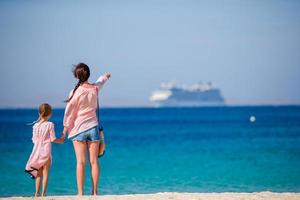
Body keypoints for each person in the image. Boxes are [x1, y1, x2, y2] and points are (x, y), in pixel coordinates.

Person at [62, 63, 111, 195]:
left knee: (80, 162)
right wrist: (105, 76)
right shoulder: (94, 89)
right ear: (88, 74)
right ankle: (95, 192)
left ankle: (80, 193)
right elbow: (100, 82)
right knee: (94, 162)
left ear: (76, 76)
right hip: (93, 128)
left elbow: (69, 112)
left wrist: (65, 129)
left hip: (78, 129)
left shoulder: (74, 92)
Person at [25, 103, 64, 197]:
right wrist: (61, 139)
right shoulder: (50, 124)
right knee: (46, 173)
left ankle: (36, 193)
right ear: (50, 114)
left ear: (39, 113)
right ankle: (43, 193)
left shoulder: (35, 126)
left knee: (38, 174)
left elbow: (34, 140)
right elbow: (53, 139)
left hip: (37, 152)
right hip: (46, 152)